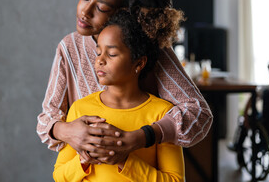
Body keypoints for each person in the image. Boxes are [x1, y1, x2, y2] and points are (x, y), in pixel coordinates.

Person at [37, 0, 212, 164]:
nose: (85, 11)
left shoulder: (149, 47)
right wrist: (67, 132)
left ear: (124, 11)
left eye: (101, 8)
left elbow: (199, 114)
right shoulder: (69, 48)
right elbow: (46, 120)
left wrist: (142, 137)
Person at [53, 9, 184, 182]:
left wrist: (124, 160)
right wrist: (83, 161)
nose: (100, 60)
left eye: (112, 54)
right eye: (98, 52)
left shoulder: (163, 114)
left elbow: (176, 180)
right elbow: (58, 176)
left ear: (139, 63)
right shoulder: (81, 108)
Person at [228, 61, 269, 151]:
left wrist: (245, 115)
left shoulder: (266, 90)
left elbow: (251, 100)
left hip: (266, 123)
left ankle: (238, 145)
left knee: (247, 119)